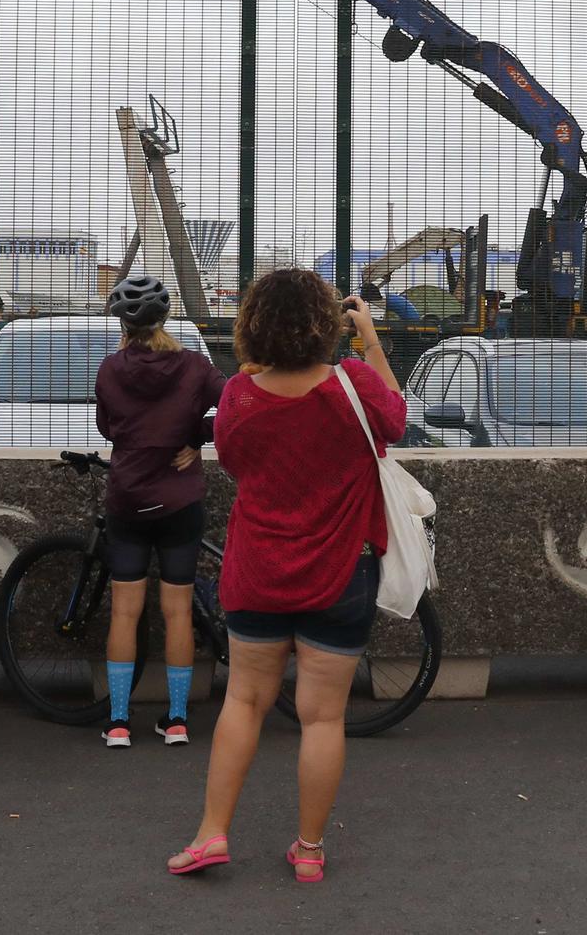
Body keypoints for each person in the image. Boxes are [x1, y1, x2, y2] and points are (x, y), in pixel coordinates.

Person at [166, 270, 404, 885]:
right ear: (327, 322)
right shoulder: (353, 386)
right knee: (322, 717)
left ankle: (211, 833)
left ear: (253, 324)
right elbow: (396, 421)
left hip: (259, 571)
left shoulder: (242, 397)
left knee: (243, 702)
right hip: (341, 572)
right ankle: (309, 850)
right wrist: (370, 343)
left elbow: (237, 463)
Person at [93, 275, 227, 749]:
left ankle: (119, 722)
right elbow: (235, 405)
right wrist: (196, 437)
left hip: (128, 500)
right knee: (176, 613)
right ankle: (175, 720)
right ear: (165, 317)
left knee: (125, 613)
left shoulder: (110, 370)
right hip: (180, 502)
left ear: (124, 323)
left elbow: (108, 428)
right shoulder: (194, 367)